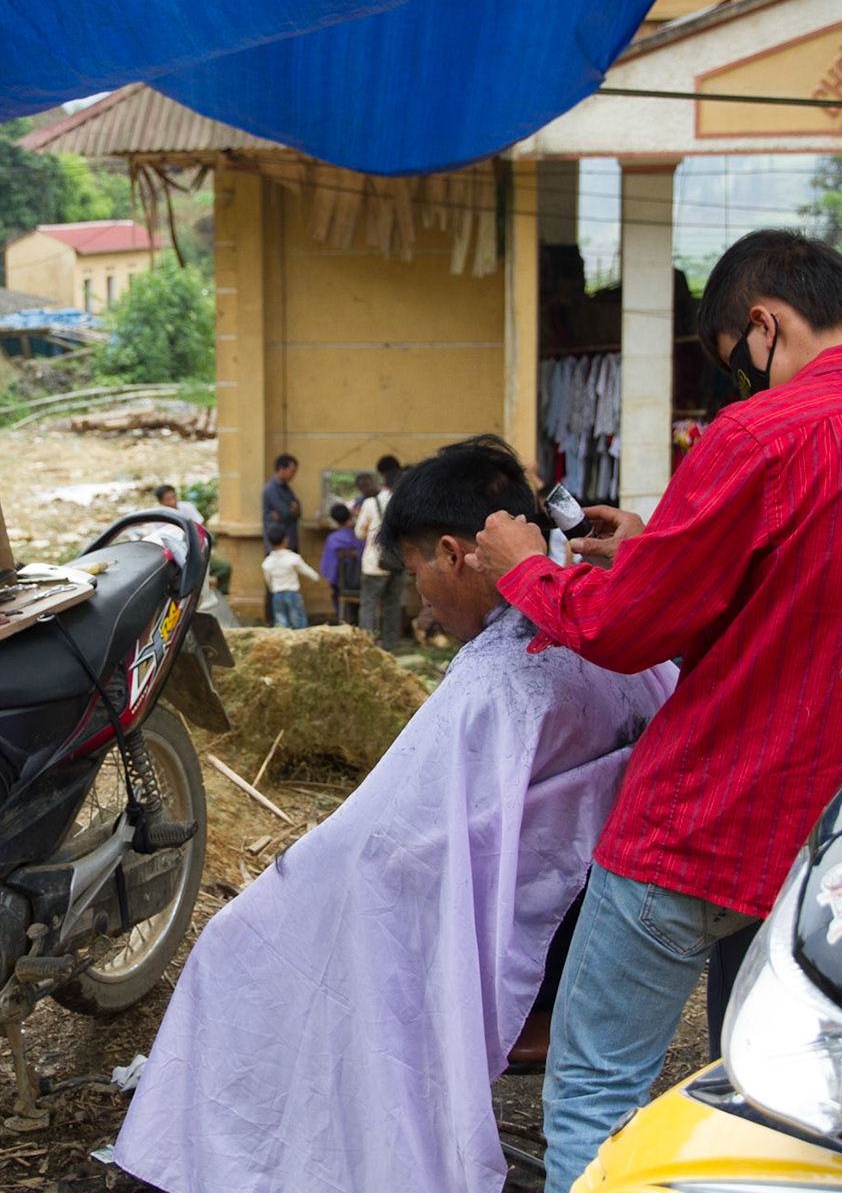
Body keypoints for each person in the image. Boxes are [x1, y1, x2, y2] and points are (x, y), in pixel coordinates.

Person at [468, 228, 842, 1192]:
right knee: (775, 1100)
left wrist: (527, 571)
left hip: (708, 824)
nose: (740, 390)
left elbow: (626, 632)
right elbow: (806, 597)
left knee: (597, 1087)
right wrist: (651, 546)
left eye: (735, 367)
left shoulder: (765, 433)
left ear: (764, 323)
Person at [115, 436, 676, 1193]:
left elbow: (381, 848)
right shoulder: (614, 639)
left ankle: (252, 1151)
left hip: (528, 962)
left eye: (414, 573)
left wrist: (298, 875)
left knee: (237, 946)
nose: (420, 600)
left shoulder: (499, 684)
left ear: (454, 553)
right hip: (582, 937)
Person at [354, 457, 406, 650]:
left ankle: (366, 643)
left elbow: (359, 532)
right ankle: (391, 643)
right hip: (397, 562)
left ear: (383, 482)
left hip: (374, 562)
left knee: (369, 604)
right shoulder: (403, 502)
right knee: (392, 604)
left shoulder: (370, 503)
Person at [261, 530, 318, 628]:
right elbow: (307, 571)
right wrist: (315, 578)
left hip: (277, 594)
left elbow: (268, 581)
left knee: (281, 622)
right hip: (292, 592)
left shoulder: (267, 562)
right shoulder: (293, 558)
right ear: (286, 540)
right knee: (298, 621)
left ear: (269, 543)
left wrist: (273, 589)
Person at [318, 502, 364, 622]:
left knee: (336, 592)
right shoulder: (361, 535)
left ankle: (345, 622)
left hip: (343, 584)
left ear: (335, 520)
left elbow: (329, 568)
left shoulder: (334, 539)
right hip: (364, 581)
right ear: (350, 514)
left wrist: (335, 581)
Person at [261, 454, 301, 553]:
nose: (293, 475)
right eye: (292, 471)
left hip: (290, 540)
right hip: (277, 544)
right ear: (281, 469)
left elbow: (298, 509)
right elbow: (285, 512)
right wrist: (291, 511)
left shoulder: (286, 488)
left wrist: (294, 510)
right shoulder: (271, 489)